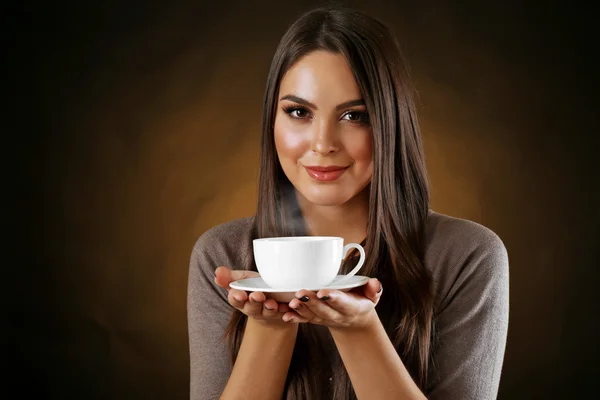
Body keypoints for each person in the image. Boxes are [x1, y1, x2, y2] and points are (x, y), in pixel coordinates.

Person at [187, 6, 509, 400]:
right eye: (299, 112)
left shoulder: (466, 256)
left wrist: (360, 330)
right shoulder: (220, 254)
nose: (323, 144)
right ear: (273, 119)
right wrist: (271, 326)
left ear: (389, 123)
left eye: (355, 116)